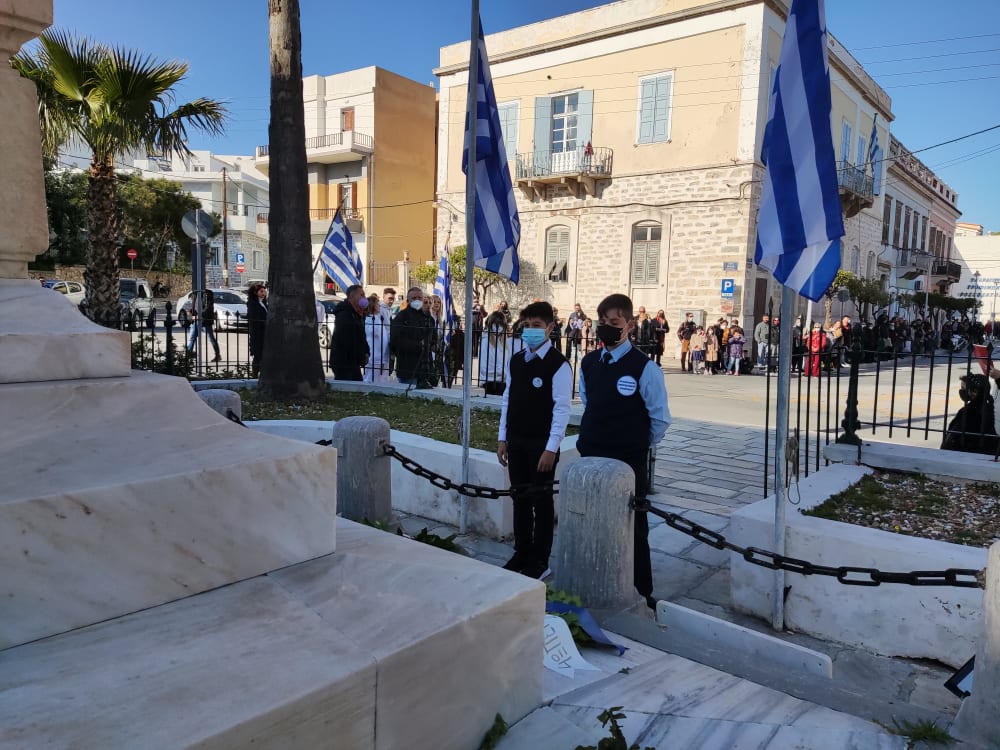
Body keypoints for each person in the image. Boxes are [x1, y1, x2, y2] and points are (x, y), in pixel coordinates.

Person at [577, 293, 671, 610]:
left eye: (614, 322)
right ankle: (596, 578)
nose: (607, 327)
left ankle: (641, 589)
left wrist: (635, 442)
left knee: (633, 528)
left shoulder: (645, 368)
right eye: (603, 321)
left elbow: (659, 418)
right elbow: (589, 402)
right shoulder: (589, 363)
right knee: (593, 521)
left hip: (628, 462)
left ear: (629, 325)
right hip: (592, 456)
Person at [497, 301, 571, 580]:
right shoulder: (516, 360)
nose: (530, 330)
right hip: (516, 440)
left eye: (537, 325)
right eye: (526, 325)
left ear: (550, 328)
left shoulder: (558, 365)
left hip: (541, 444)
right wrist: (502, 437)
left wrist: (551, 448)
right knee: (520, 498)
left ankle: (540, 559)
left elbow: (562, 409)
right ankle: (522, 551)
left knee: (541, 502)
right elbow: (508, 400)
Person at [390, 287, 436, 388]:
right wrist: (417, 345)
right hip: (408, 367)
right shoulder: (402, 317)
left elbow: (433, 339)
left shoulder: (428, 318)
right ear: (408, 300)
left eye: (420, 298)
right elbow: (395, 341)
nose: (417, 300)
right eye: (414, 298)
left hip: (425, 368)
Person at [942, 374, 998, 455]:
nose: (961, 391)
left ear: (974, 392)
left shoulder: (968, 412)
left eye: (963, 389)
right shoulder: (990, 408)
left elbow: (952, 439)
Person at [329, 284, 369, 381]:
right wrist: (361, 356)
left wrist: (366, 352)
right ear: (352, 296)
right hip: (344, 362)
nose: (364, 298)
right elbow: (348, 341)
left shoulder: (355, 314)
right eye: (361, 295)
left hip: (352, 362)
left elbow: (361, 337)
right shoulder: (345, 315)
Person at [186, 289, 221, 363]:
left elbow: (208, 308)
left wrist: (199, 315)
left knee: (211, 338)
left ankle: (217, 355)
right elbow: (193, 306)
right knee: (192, 338)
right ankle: (188, 356)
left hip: (205, 320)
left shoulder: (207, 294)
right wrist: (191, 312)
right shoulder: (194, 293)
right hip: (196, 320)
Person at [479, 311, 510, 395]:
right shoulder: (486, 340)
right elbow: (484, 366)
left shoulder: (502, 341)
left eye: (501, 324)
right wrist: (503, 373)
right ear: (490, 324)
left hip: (502, 381)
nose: (498, 326)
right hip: (491, 382)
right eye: (496, 323)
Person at [364, 294, 390, 383]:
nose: (379, 306)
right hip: (375, 355)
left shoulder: (377, 318)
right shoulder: (370, 319)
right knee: (371, 379)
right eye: (377, 304)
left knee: (381, 379)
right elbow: (372, 332)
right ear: (373, 306)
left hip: (381, 354)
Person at [247, 283, 267, 377]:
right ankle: (254, 375)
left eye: (264, 291)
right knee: (258, 355)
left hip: (265, 333)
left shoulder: (263, 303)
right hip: (257, 333)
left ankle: (262, 374)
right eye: (261, 291)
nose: (264, 293)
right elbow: (255, 319)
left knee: (263, 355)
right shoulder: (252, 304)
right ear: (255, 292)